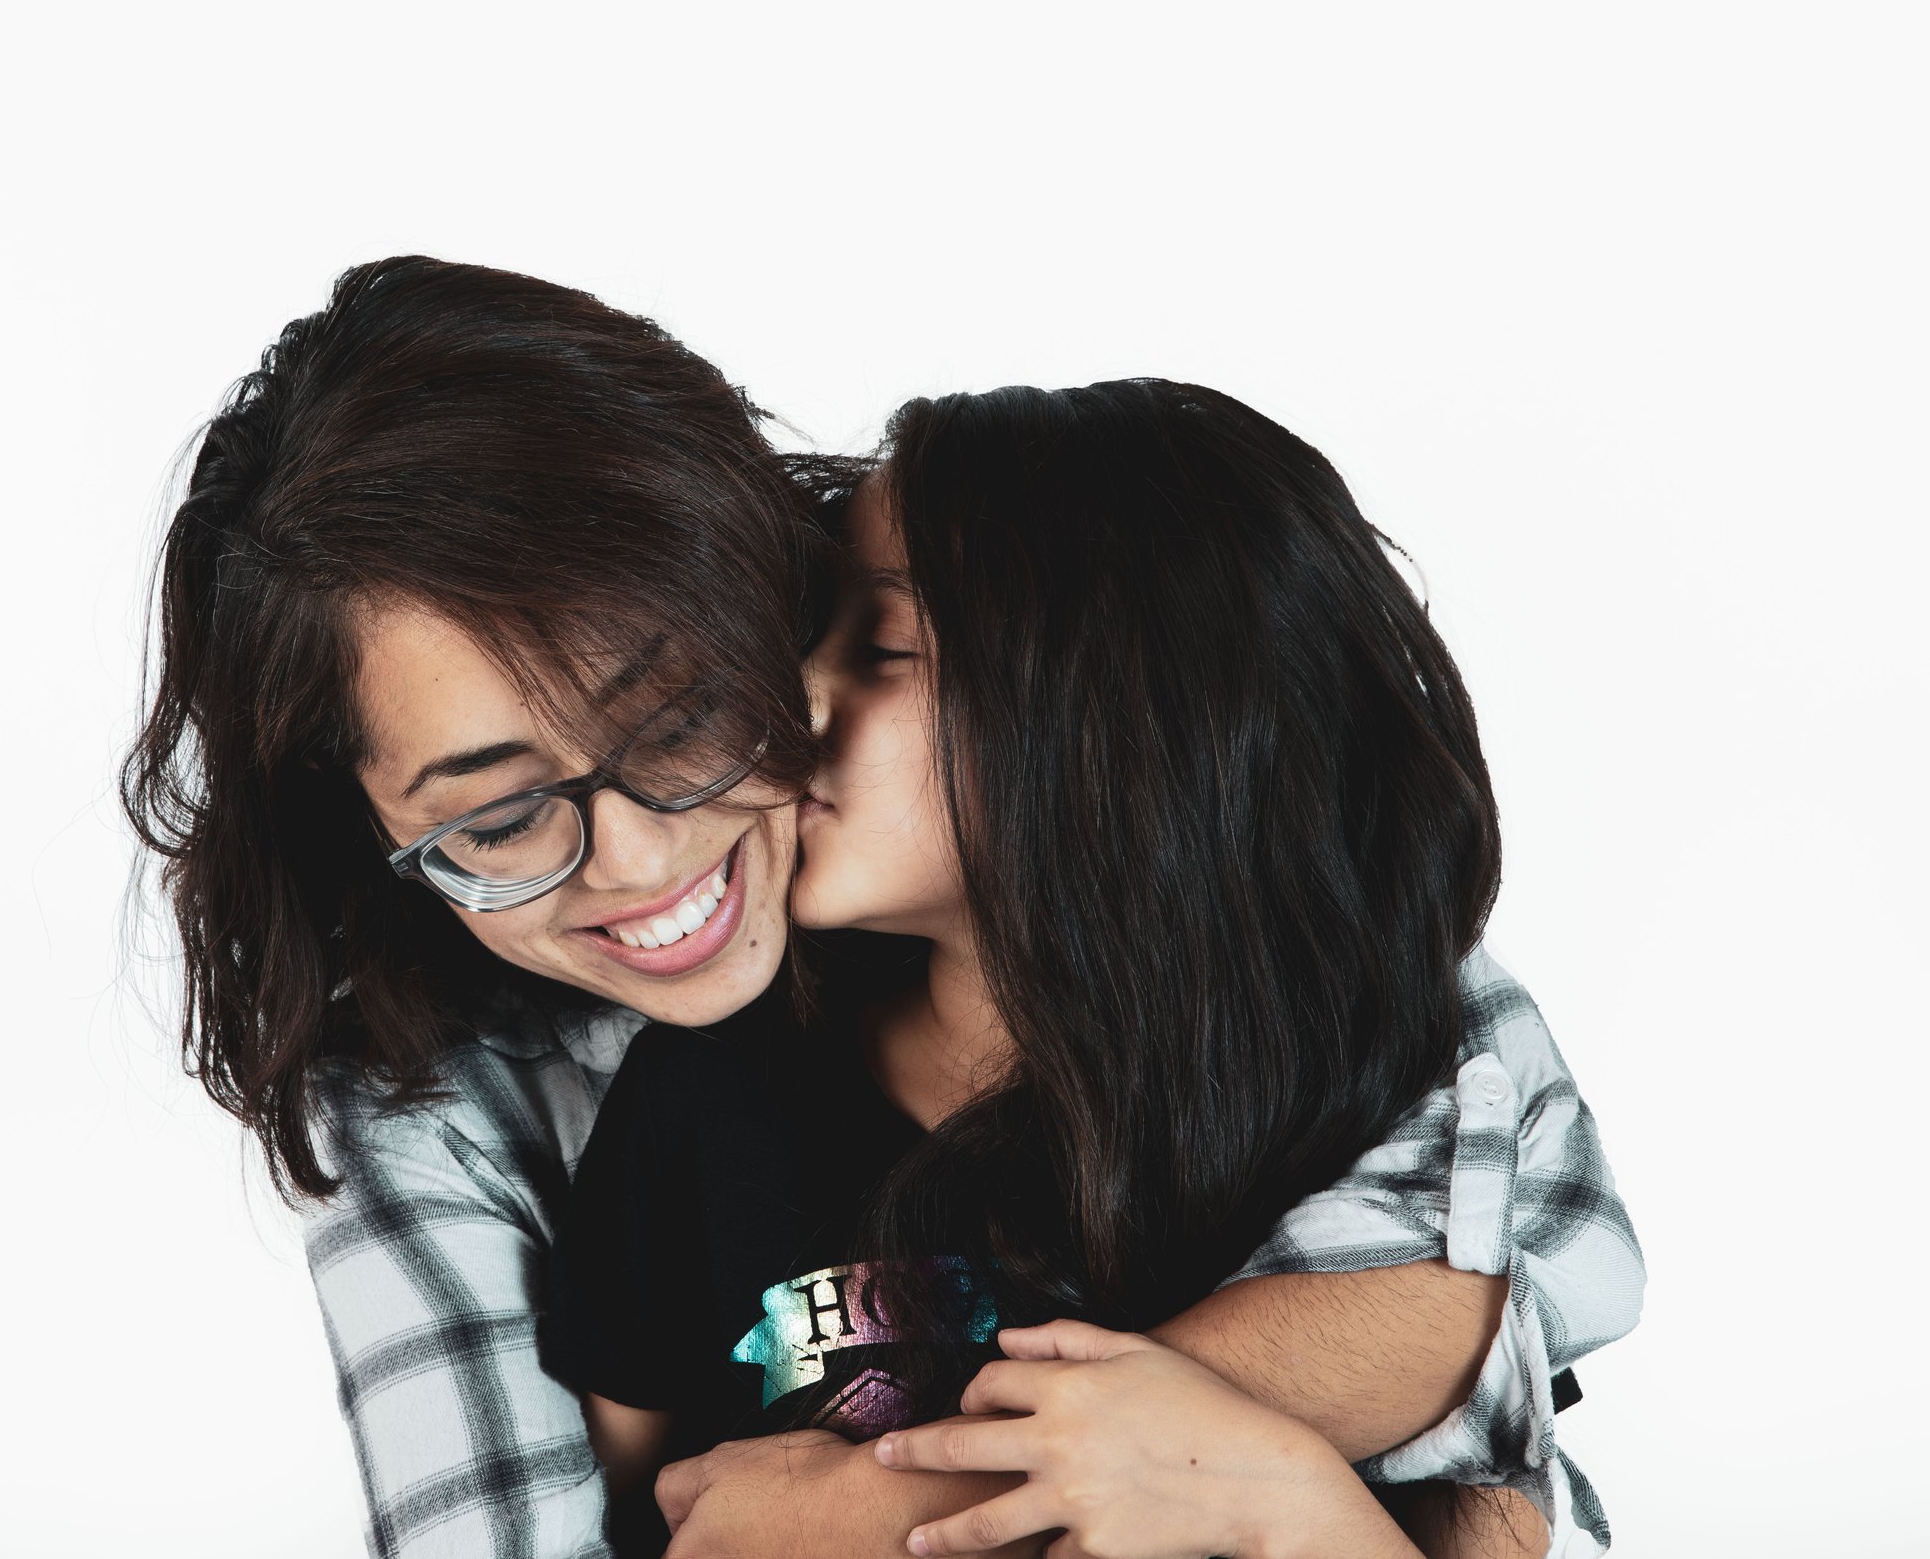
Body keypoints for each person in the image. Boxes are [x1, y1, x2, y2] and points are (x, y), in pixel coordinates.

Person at [123, 260, 1642, 1559]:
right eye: (500, 815)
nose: (639, 859)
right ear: (364, 822)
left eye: (679, 715)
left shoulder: (1267, 933)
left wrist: (895, 1502)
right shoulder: (495, 1108)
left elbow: (1517, 1274)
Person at [543, 381, 1641, 1557]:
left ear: (1123, 722)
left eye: (885, 646)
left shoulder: (1368, 1120)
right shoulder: (703, 1097)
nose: (794, 694)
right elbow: (629, 1512)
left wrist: (1273, 1488)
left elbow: (1481, 1507)